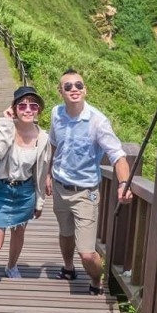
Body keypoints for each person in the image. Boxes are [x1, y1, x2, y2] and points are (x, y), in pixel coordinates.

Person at [45, 68, 132, 295]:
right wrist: (47, 174)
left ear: (86, 90)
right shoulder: (56, 114)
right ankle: (68, 268)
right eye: (68, 86)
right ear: (60, 91)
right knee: (65, 233)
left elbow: (117, 155)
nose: (74, 89)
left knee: (87, 252)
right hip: (59, 186)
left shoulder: (98, 122)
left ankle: (96, 280)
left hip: (85, 192)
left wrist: (123, 183)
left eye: (79, 85)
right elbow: (54, 145)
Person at [0, 86, 51, 279]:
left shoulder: (43, 138)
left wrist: (39, 201)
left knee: (18, 233)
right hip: (1, 190)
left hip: (25, 191)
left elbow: (41, 172)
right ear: (14, 108)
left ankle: (11, 266)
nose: (28, 109)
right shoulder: (5, 128)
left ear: (39, 110)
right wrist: (5, 122)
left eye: (33, 106)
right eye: (22, 105)